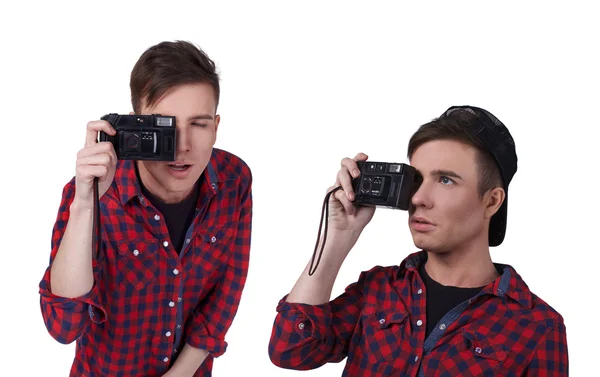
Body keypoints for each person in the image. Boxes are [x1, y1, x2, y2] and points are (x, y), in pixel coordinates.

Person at [268, 106, 568, 376]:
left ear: (491, 202)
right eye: (416, 179)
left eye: (446, 180)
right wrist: (338, 236)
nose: (418, 198)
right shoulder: (379, 290)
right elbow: (290, 349)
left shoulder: (538, 327)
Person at [39, 40, 253, 377]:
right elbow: (63, 327)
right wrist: (85, 205)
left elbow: (225, 294)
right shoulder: (90, 193)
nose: (182, 146)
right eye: (165, 126)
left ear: (216, 126)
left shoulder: (233, 179)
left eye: (198, 124)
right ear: (136, 125)